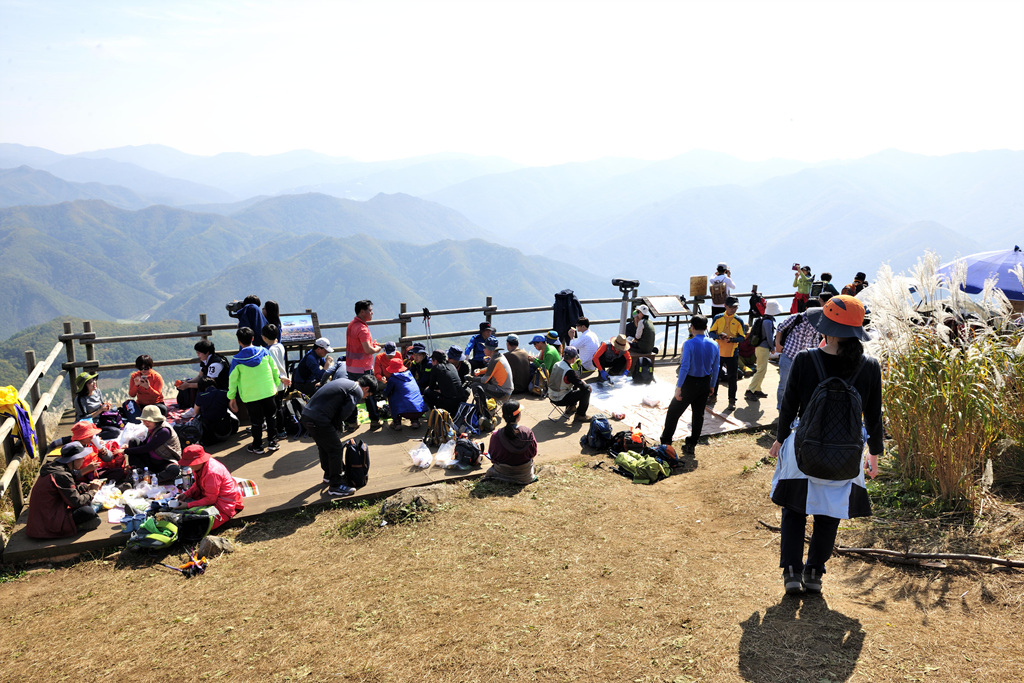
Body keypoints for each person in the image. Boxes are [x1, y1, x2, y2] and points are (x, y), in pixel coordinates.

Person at [768, 294, 882, 595]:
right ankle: (815, 573)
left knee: (794, 508)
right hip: (847, 453)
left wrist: (779, 440)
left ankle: (792, 572)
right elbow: (873, 415)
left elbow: (789, 405)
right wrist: (875, 454)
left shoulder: (807, 359)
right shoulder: (870, 366)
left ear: (829, 329)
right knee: (829, 512)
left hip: (804, 448)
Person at [300, 375, 378, 497]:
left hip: (307, 415)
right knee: (336, 449)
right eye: (367, 395)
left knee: (324, 446)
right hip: (320, 419)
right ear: (366, 388)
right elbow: (345, 413)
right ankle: (335, 485)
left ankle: (328, 474)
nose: (365, 398)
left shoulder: (346, 382)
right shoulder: (356, 390)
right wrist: (338, 424)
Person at [659, 315, 720, 454]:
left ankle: (666, 443)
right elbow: (716, 367)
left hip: (689, 382)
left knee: (673, 412)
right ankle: (691, 444)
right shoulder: (714, 344)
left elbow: (685, 366)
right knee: (698, 415)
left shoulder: (689, 344)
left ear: (692, 327)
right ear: (706, 328)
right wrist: (712, 385)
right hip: (705, 382)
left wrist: (679, 387)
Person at [26, 442, 103, 539]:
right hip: (47, 523)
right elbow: (76, 502)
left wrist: (87, 487)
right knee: (87, 511)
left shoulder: (55, 467)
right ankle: (76, 527)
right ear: (73, 460)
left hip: (41, 518)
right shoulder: (61, 475)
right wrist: (93, 491)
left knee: (83, 488)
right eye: (81, 458)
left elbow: (66, 490)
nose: (83, 460)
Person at [227, 326, 280, 455]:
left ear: (239, 341)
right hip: (268, 391)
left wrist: (232, 397)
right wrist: (276, 385)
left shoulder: (237, 360)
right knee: (271, 416)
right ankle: (273, 442)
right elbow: (274, 369)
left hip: (250, 396)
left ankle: (257, 445)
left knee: (256, 421)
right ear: (253, 338)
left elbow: (232, 381)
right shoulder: (264, 352)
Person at [775, 293, 830, 409]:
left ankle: (796, 410)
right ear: (807, 309)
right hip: (788, 356)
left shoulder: (818, 322)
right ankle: (781, 408)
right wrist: (777, 344)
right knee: (784, 385)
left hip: (805, 360)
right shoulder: (796, 317)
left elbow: (818, 339)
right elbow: (780, 328)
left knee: (802, 386)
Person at [177, 445, 244, 529]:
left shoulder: (212, 473)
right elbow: (198, 484)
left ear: (199, 461)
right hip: (211, 497)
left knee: (193, 524)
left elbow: (211, 500)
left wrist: (188, 505)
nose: (189, 466)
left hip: (223, 506)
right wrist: (186, 494)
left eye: (190, 463)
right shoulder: (200, 467)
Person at [345, 299, 383, 430]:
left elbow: (359, 346)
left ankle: (351, 422)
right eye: (370, 310)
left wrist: (370, 345)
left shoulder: (351, 324)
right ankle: (374, 420)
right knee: (370, 393)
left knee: (352, 395)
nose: (372, 312)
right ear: (362, 312)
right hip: (363, 368)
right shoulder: (363, 329)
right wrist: (376, 349)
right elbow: (367, 350)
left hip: (351, 366)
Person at [120, 405, 182, 482]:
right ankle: (139, 471)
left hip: (164, 461)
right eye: (144, 421)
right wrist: (129, 447)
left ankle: (153, 479)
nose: (146, 423)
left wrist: (126, 451)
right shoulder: (153, 428)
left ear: (156, 420)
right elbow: (145, 443)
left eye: (148, 421)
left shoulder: (164, 431)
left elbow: (148, 447)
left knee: (174, 470)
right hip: (151, 460)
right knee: (134, 441)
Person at [484, 400, 538, 485]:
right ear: (518, 416)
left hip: (502, 471)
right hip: (524, 473)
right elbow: (533, 453)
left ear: (503, 416)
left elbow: (492, 455)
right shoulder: (528, 432)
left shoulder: (496, 435)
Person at [708, 297, 746, 405]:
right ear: (725, 306)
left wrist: (732, 340)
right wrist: (719, 336)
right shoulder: (718, 318)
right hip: (718, 352)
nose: (733, 309)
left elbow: (742, 337)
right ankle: (713, 396)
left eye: (735, 307)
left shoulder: (739, 320)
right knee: (715, 375)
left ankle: (732, 400)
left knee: (732, 377)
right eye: (731, 307)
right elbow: (711, 333)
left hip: (732, 353)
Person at [175, 340, 229, 408]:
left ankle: (196, 409)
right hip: (211, 385)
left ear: (207, 352)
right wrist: (187, 382)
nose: (197, 355)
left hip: (221, 388)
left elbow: (208, 383)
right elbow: (200, 376)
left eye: (199, 353)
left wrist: (188, 385)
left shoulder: (215, 364)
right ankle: (192, 407)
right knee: (189, 383)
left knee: (199, 389)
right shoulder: (205, 361)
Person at [745, 300, 781, 400]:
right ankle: (750, 390)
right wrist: (773, 348)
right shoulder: (768, 321)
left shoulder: (765, 319)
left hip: (760, 347)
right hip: (763, 348)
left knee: (762, 369)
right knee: (761, 370)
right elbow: (769, 337)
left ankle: (757, 389)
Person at [547, 346, 592, 422]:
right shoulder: (569, 372)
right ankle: (580, 414)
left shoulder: (557, 364)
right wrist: (588, 386)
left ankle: (571, 407)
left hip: (551, 395)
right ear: (574, 358)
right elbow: (582, 385)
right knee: (587, 390)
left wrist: (579, 381)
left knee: (574, 384)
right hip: (560, 399)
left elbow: (575, 380)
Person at [384, 357, 427, 430]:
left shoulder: (393, 379)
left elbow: (386, 392)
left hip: (405, 412)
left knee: (391, 396)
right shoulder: (410, 375)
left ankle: (396, 422)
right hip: (420, 410)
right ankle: (415, 421)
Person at [468, 337, 513, 402]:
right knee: (483, 384)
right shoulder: (499, 356)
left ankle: (482, 409)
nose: (483, 349)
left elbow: (484, 380)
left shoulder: (495, 360)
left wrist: (471, 378)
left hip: (503, 392)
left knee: (476, 385)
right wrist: (480, 371)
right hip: (507, 390)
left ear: (490, 350)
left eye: (485, 348)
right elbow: (491, 369)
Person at [627, 304, 657, 382]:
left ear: (642, 313)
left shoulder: (642, 322)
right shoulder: (650, 322)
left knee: (627, 342)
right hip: (650, 348)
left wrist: (634, 340)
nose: (637, 314)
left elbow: (637, 336)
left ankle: (628, 367)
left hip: (642, 348)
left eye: (638, 312)